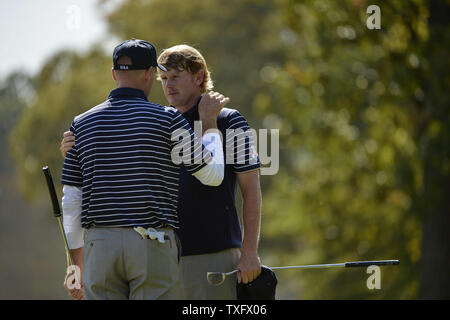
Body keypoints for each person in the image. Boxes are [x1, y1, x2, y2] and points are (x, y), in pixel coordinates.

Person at [61, 44, 262, 300]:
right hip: (159, 252)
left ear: (199, 77)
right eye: (163, 78)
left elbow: (251, 187)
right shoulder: (160, 120)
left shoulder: (229, 121)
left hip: (211, 256)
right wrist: (75, 152)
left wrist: (250, 252)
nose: (167, 85)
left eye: (175, 77)